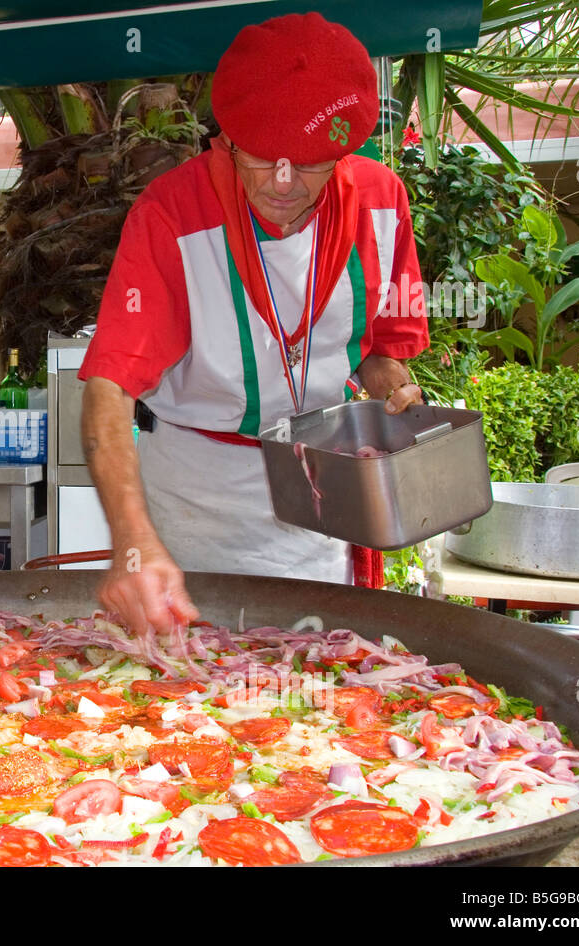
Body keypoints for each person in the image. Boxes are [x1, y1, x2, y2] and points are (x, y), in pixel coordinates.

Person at [79, 12, 429, 635]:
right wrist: (134, 545)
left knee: (309, 697)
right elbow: (109, 390)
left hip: (319, 494)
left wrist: (391, 388)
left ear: (345, 148)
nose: (286, 185)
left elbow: (376, 351)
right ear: (229, 137)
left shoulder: (382, 202)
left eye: (313, 162)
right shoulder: (172, 214)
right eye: (263, 158)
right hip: (195, 502)